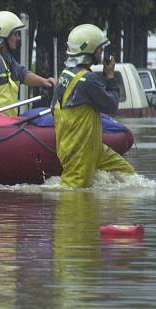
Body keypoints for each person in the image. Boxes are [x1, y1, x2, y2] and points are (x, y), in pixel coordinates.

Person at [52, 23, 135, 188]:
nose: (102, 52)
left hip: (93, 148)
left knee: (129, 177)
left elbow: (52, 108)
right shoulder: (87, 80)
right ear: (91, 50)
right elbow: (112, 106)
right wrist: (110, 76)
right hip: (81, 150)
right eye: (100, 49)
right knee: (74, 196)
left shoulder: (65, 74)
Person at [0, 11, 56, 116]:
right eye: (14, 34)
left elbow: (22, 74)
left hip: (2, 127)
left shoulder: (5, 59)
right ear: (2, 37)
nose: (18, 38)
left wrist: (44, 82)